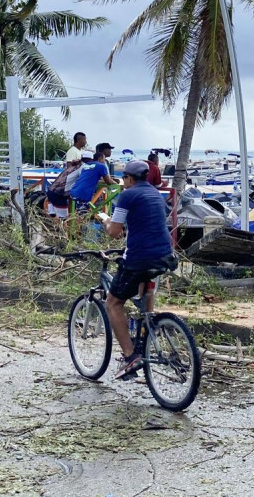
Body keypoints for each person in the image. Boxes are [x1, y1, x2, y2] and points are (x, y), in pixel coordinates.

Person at [103, 159, 176, 379]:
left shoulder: (127, 195)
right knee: (146, 284)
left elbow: (114, 232)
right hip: (165, 254)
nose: (123, 182)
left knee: (113, 303)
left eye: (124, 178)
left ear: (129, 178)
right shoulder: (155, 193)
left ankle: (129, 357)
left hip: (139, 257)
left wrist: (105, 220)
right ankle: (148, 325)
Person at [68, 142, 115, 210]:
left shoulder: (87, 165)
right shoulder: (101, 166)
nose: (104, 161)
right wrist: (116, 184)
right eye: (103, 159)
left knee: (78, 215)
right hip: (83, 194)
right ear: (100, 158)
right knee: (83, 215)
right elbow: (108, 181)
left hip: (74, 192)